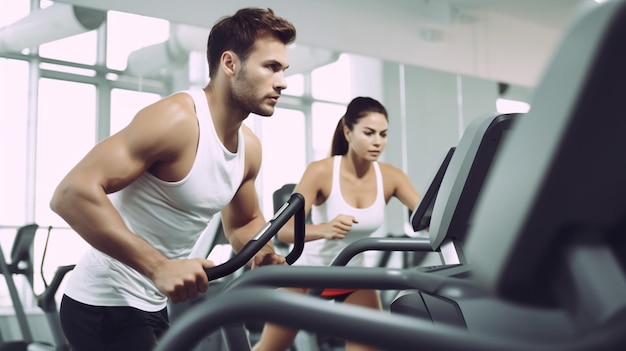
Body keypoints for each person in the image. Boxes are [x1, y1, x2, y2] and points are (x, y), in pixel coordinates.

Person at [49, 7, 296, 351]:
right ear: (230, 64)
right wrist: (159, 267)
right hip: (103, 305)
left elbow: (243, 221)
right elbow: (70, 194)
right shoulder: (176, 120)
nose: (282, 82)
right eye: (271, 67)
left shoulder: (249, 148)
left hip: (152, 303)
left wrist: (263, 252)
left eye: (284, 70)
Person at [253, 96, 421, 351]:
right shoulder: (321, 171)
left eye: (383, 134)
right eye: (369, 133)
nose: (378, 141)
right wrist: (325, 229)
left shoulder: (391, 177)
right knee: (271, 348)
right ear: (348, 131)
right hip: (308, 273)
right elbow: (284, 232)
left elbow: (430, 219)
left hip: (353, 276)